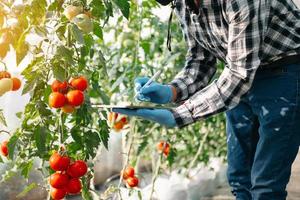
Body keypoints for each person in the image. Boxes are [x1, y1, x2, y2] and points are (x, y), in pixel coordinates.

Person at [113, 0, 300, 199]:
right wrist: (171, 91)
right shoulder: (183, 4)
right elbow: (201, 59)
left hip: (284, 72)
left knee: (266, 185)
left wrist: (179, 115)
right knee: (239, 177)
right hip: (240, 75)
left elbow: (239, 74)